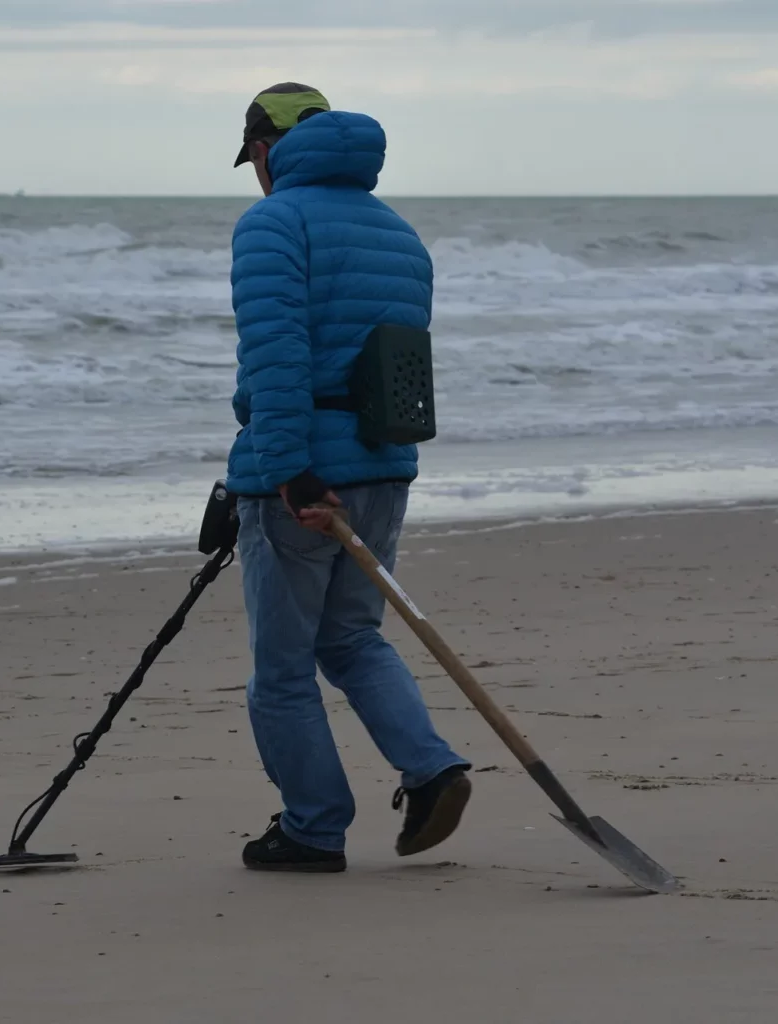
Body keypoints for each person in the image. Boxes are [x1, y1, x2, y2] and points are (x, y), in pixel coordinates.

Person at [226, 82, 471, 872]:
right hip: (384, 467)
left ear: (267, 149)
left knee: (283, 672)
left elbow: (277, 360)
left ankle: (313, 827)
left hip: (303, 476)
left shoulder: (273, 222)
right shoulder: (399, 233)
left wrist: (287, 471)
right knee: (353, 637)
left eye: (252, 158)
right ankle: (432, 768)